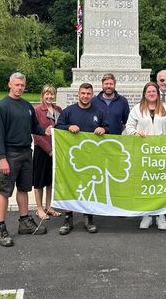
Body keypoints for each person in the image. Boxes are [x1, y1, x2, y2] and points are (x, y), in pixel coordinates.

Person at [0, 72, 52, 247]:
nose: (20, 88)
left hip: (27, 152)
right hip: (10, 155)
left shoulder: (27, 106)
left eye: (22, 85)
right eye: (17, 84)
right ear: (9, 84)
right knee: (5, 191)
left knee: (24, 189)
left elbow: (34, 127)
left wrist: (45, 131)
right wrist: (2, 159)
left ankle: (24, 221)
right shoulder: (2, 107)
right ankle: (1, 227)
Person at [56, 83, 109, 235]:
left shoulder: (98, 111)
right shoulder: (68, 111)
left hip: (91, 158)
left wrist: (103, 129)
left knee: (89, 188)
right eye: (83, 93)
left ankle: (89, 218)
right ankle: (68, 219)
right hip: (71, 158)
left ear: (92, 95)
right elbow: (58, 127)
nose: (85, 96)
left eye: (88, 93)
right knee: (70, 187)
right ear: (78, 94)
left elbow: (108, 127)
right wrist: (68, 127)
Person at [125, 82, 166, 230]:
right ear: (144, 94)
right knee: (145, 184)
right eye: (148, 91)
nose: (151, 93)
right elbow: (129, 127)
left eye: (154, 91)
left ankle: (161, 215)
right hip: (143, 152)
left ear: (157, 93)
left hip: (162, 152)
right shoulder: (137, 109)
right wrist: (136, 133)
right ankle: (147, 215)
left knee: (160, 184)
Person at [32, 84, 63, 221]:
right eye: (47, 94)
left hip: (56, 150)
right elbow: (36, 133)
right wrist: (49, 150)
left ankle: (49, 206)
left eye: (52, 94)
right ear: (42, 95)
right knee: (39, 182)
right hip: (42, 150)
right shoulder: (37, 110)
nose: (49, 96)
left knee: (50, 181)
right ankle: (39, 208)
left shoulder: (58, 110)